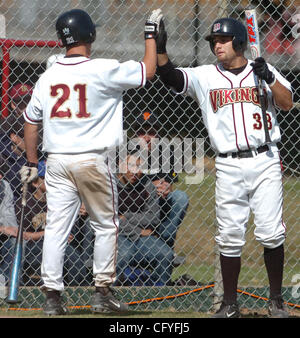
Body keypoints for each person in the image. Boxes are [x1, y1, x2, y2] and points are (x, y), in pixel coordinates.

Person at [20, 8, 162, 315]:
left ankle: (52, 300)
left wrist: (33, 163)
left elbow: (30, 123)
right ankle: (101, 293)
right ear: (90, 35)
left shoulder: (48, 76)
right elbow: (148, 71)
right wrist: (150, 34)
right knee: (106, 225)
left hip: (56, 161)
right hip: (92, 160)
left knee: (57, 228)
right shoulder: (102, 68)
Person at [155, 17, 293, 318]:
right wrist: (160, 49)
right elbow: (171, 77)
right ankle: (229, 304)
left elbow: (286, 102)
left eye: (223, 39)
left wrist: (268, 76)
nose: (216, 44)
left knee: (271, 233)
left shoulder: (264, 71)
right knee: (229, 235)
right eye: (213, 41)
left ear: (240, 42)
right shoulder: (206, 75)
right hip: (228, 164)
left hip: (265, 160)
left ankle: (276, 301)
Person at [133, 111, 189, 265]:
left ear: (157, 134)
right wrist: (149, 186)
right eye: (141, 132)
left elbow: (169, 183)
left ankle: (165, 244)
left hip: (159, 204)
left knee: (180, 197)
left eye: (151, 132)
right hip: (133, 205)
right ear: (135, 134)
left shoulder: (168, 153)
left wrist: (165, 188)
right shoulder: (127, 153)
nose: (146, 137)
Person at [115, 152, 174, 286]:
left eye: (139, 167)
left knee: (166, 254)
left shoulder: (147, 186)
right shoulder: (110, 185)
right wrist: (138, 231)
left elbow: (153, 218)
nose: (135, 172)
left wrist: (127, 216)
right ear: (121, 165)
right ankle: (110, 295)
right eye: (131, 166)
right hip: (118, 235)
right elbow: (109, 220)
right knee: (124, 254)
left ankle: (160, 296)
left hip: (143, 238)